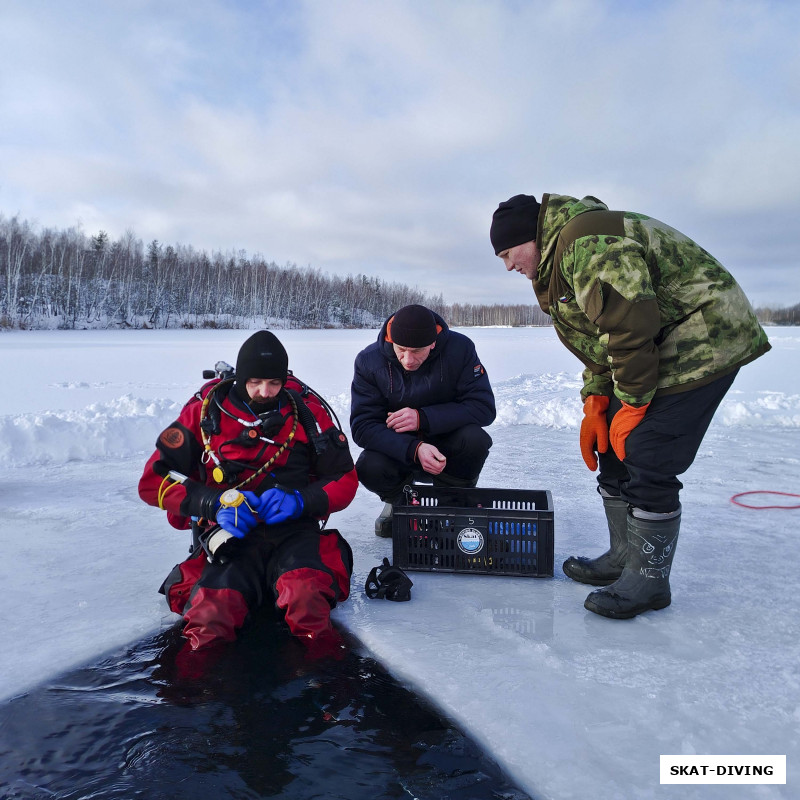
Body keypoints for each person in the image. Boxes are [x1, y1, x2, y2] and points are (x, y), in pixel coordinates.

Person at [490, 193, 770, 619]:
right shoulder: (559, 261)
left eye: (509, 253)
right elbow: (599, 340)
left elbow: (630, 325)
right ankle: (624, 557)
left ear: (531, 238)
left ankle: (649, 581)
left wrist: (635, 405)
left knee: (647, 448)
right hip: (657, 341)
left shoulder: (588, 244)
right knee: (609, 441)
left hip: (706, 335)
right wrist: (597, 399)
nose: (509, 266)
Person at [139, 330, 358, 651]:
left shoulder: (307, 413)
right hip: (231, 533)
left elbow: (345, 478)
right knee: (211, 616)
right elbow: (152, 481)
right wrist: (213, 504)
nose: (264, 392)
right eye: (255, 382)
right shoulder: (204, 413)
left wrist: (301, 501)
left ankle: (325, 676)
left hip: (294, 531)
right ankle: (197, 680)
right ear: (241, 377)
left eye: (274, 383)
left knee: (307, 602)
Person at [350, 303, 496, 537]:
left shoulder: (460, 350)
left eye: (417, 351)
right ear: (391, 340)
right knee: (369, 466)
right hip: (400, 451)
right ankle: (401, 504)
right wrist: (414, 448)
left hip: (447, 447)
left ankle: (452, 503)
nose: (408, 360)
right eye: (401, 349)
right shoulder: (369, 361)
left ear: (433, 343)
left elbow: (483, 407)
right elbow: (363, 426)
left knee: (475, 440)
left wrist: (424, 418)